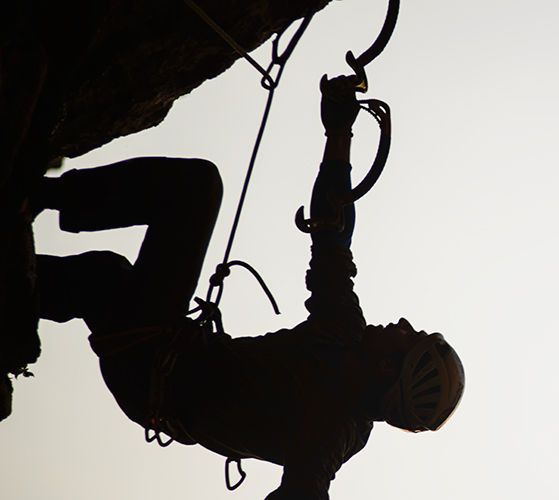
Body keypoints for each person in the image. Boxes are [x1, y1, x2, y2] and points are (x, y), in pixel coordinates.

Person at [29, 75, 464, 500]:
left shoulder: (334, 424)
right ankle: (29, 215)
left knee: (166, 218)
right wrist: (339, 131)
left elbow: (306, 484)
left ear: (390, 368)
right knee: (111, 269)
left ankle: (27, 201)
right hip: (162, 348)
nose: (405, 323)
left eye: (411, 337)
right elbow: (331, 237)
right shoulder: (343, 329)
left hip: (154, 372)